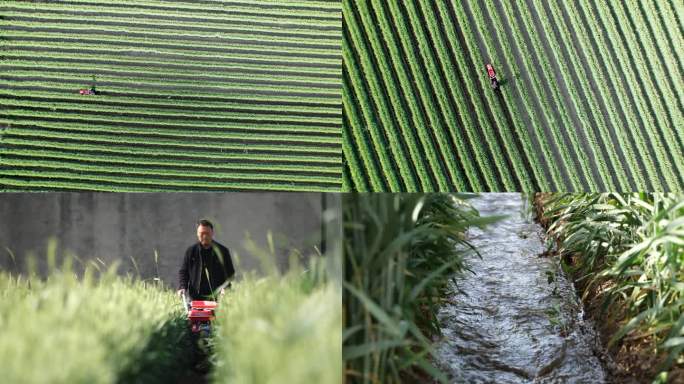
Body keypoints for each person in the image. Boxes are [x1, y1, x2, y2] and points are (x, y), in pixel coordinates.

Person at [177, 219, 235, 301]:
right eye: (202, 234)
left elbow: (230, 273)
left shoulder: (223, 251)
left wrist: (225, 288)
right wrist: (182, 287)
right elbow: (183, 272)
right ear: (197, 234)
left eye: (207, 233)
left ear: (212, 233)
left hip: (217, 297)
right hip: (195, 297)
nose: (205, 236)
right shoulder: (191, 251)